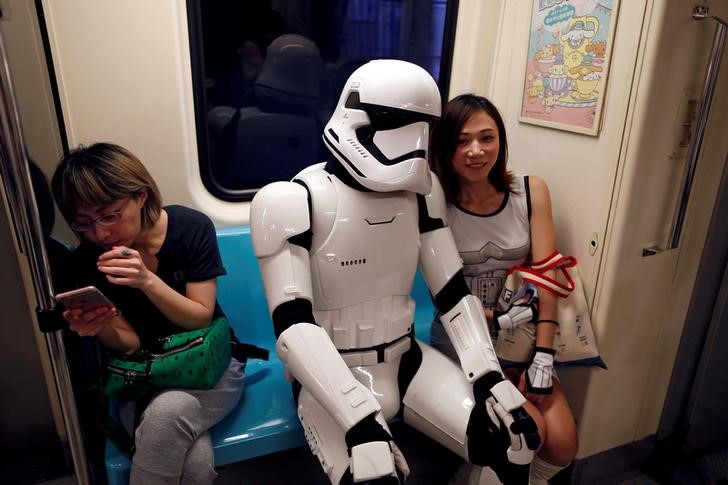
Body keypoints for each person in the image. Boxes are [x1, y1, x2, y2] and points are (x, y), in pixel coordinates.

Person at [250, 59, 541, 485]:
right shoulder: (291, 201)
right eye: (399, 123)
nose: (414, 142)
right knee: (373, 473)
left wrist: (489, 377)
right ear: (358, 117)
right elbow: (292, 324)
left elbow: (453, 292)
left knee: (512, 439)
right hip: (330, 372)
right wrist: (357, 417)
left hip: (406, 358)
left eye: (425, 127)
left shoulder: (424, 196)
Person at [51, 143, 245, 485]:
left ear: (141, 196)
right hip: (142, 379)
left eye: (109, 215)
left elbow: (200, 317)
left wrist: (146, 281)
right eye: (84, 223)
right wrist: (96, 327)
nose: (100, 233)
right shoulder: (86, 261)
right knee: (195, 463)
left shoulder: (190, 227)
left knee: (169, 413)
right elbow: (130, 342)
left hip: (209, 368)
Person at [429, 94, 579, 484]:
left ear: (501, 140)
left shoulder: (531, 193)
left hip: (522, 339)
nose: (476, 151)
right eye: (462, 141)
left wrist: (543, 355)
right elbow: (442, 292)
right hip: (463, 343)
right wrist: (497, 317)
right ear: (445, 148)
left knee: (563, 444)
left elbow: (546, 276)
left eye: (486, 137)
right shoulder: (434, 205)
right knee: (525, 434)